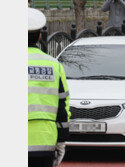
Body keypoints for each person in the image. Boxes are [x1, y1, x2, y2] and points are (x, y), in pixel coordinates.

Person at [28, 8, 71, 167]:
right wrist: (61, 141)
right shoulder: (54, 65)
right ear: (40, 36)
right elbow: (62, 106)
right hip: (45, 140)